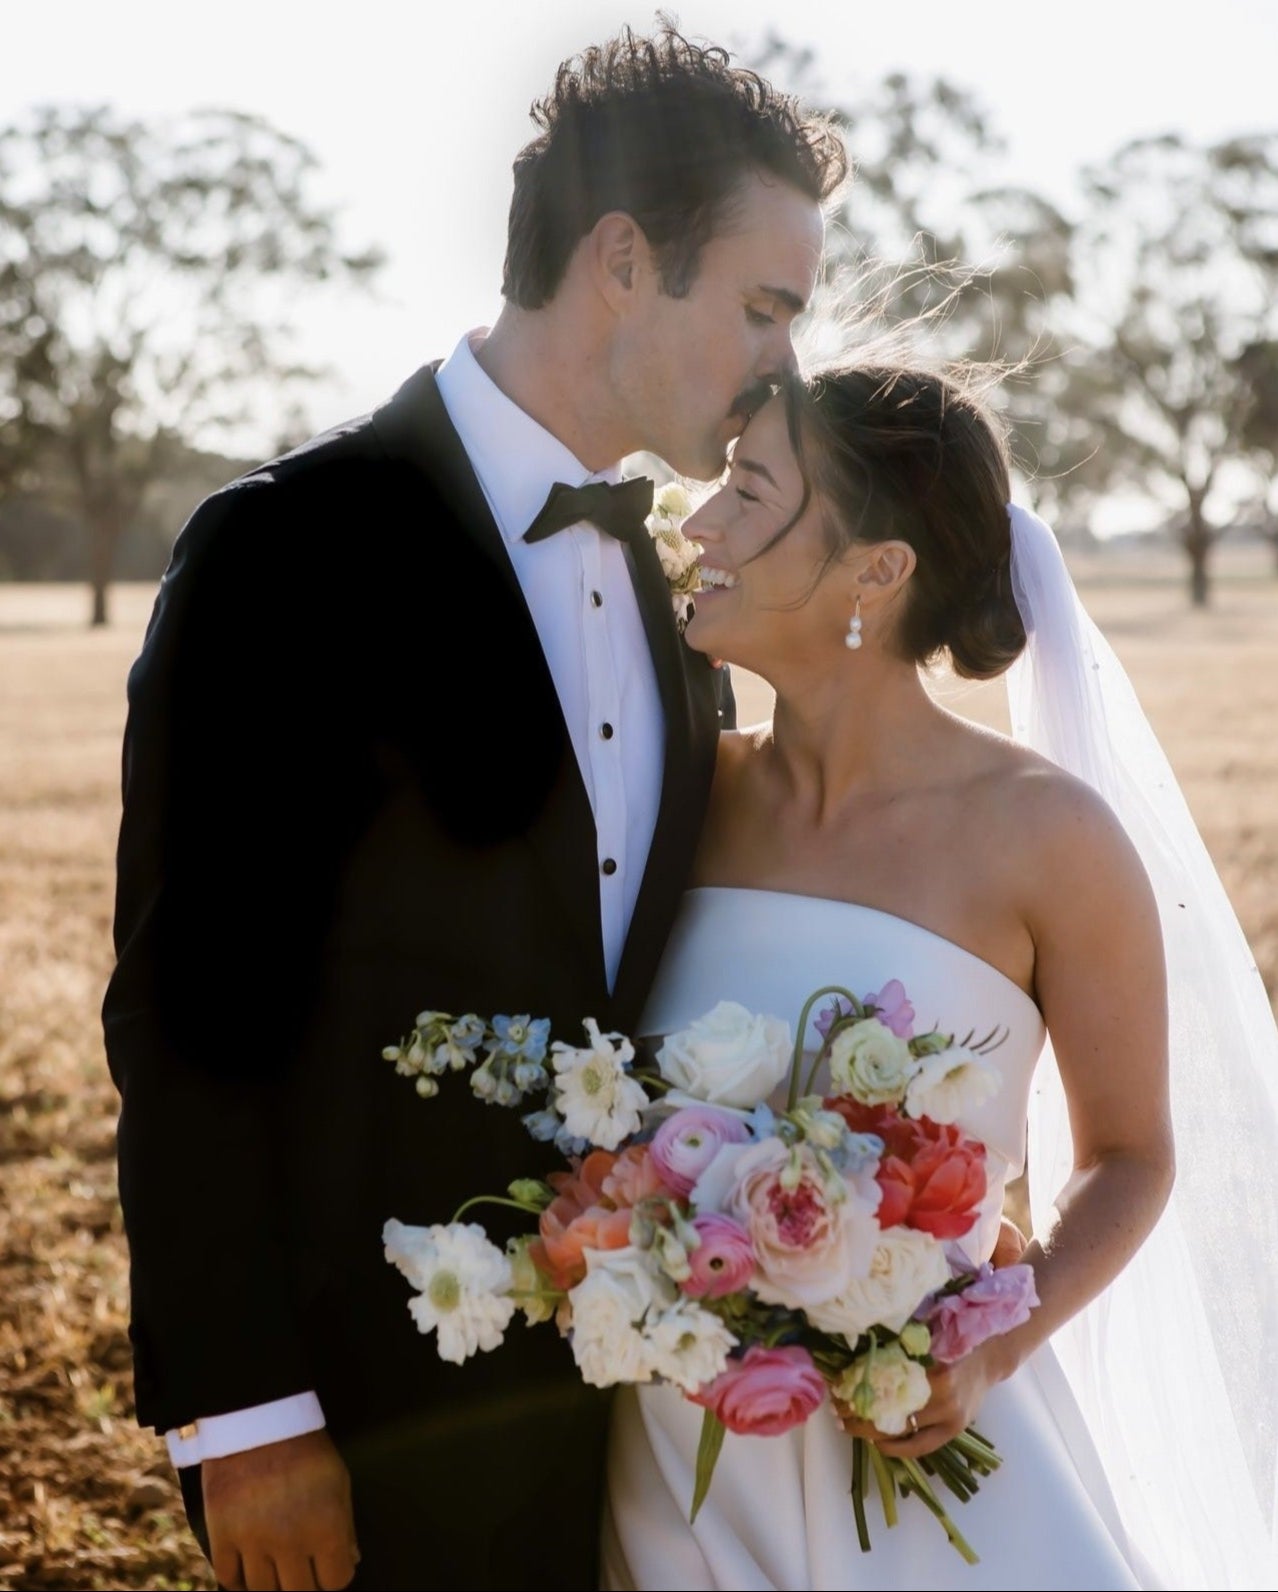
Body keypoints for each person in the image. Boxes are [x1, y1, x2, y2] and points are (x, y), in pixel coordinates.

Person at [101, 26, 844, 1592]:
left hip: (629, 1415)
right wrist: (247, 1414)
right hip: (358, 1421)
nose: (786, 358)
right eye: (765, 305)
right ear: (624, 258)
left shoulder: (674, 591)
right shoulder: (283, 555)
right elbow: (189, 1013)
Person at [601, 364, 1278, 1589]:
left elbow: (1132, 1153)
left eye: (750, 490)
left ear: (878, 569)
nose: (697, 524)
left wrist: (994, 1345)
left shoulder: (1048, 836)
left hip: (924, 1471)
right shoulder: (676, 795)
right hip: (677, 1466)